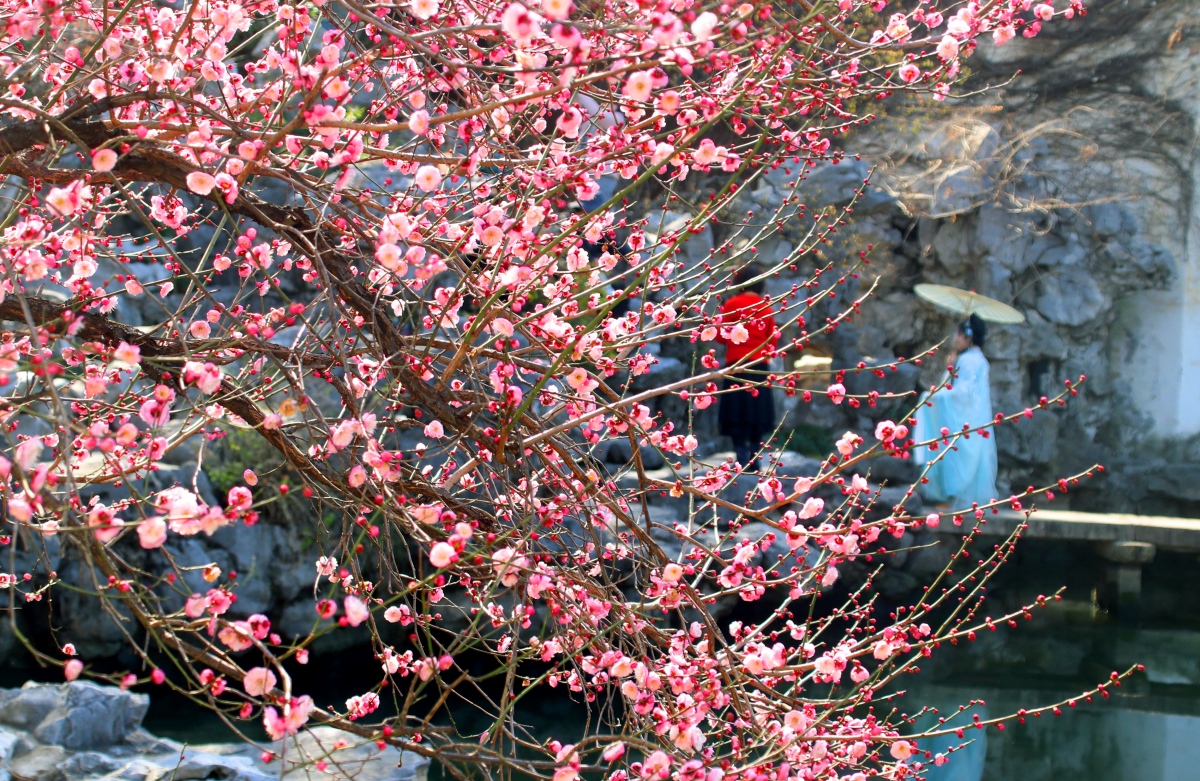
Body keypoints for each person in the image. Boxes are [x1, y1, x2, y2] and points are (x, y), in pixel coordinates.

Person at [914, 314, 998, 509]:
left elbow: (963, 394)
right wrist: (951, 370)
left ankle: (950, 498)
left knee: (954, 454)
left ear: (968, 336)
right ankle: (958, 501)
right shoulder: (978, 359)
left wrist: (933, 396)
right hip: (974, 417)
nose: (956, 339)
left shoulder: (968, 360)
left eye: (959, 335)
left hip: (964, 417)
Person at [716, 265, 779, 469]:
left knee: (736, 411)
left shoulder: (733, 304)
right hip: (759, 366)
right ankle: (754, 455)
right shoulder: (766, 307)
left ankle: (741, 455)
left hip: (736, 365)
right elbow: (772, 341)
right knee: (757, 412)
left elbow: (720, 337)